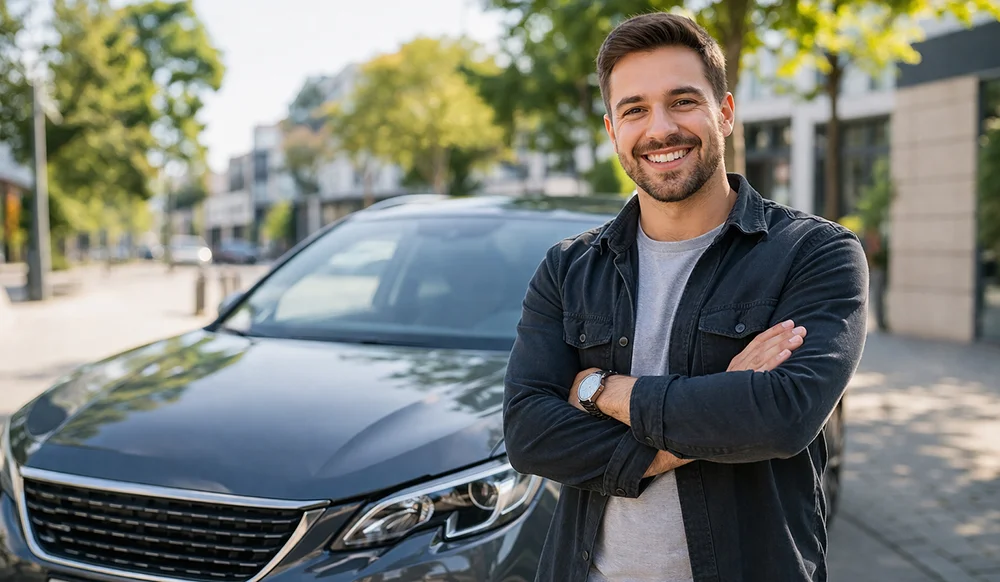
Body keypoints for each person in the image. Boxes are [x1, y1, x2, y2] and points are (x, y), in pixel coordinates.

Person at [502, 12, 868, 582]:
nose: (660, 129)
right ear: (611, 130)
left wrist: (603, 391)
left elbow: (782, 417)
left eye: (682, 100)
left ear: (724, 113)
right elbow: (529, 434)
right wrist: (718, 408)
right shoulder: (568, 269)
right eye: (635, 110)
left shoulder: (814, 254)